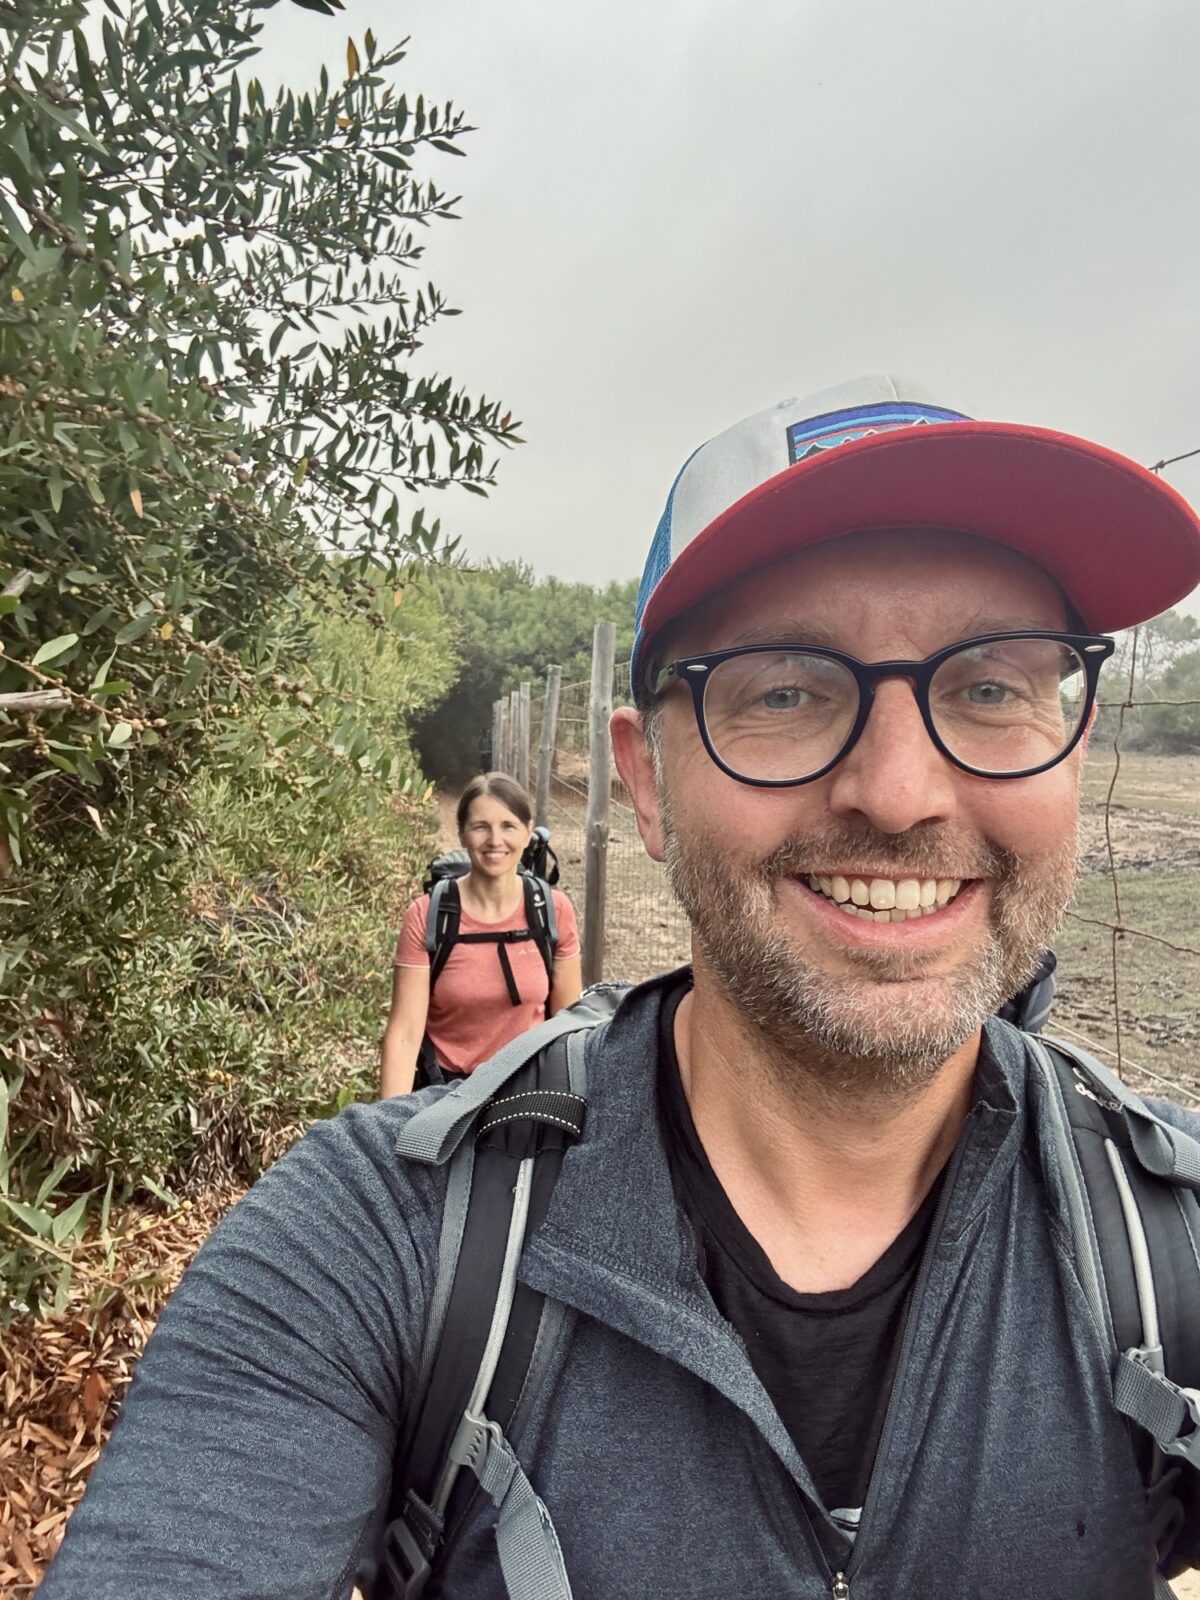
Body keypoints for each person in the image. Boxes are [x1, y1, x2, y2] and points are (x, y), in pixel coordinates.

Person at [39, 376, 1200, 1598]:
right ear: (644, 782)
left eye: (992, 686)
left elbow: (565, 994)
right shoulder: (377, 1248)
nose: (901, 792)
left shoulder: (1162, 1241)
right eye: (790, 690)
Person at [379, 772, 582, 1095]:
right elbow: (404, 1034)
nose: (495, 840)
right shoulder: (428, 914)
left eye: (508, 826)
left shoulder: (552, 911)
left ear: (528, 833)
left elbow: (570, 1026)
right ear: (461, 834)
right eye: (480, 826)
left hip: (527, 1092)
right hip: (443, 1093)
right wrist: (388, 1128)